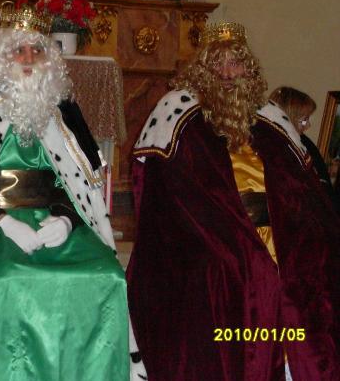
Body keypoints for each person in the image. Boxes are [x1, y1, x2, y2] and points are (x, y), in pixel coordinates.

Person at [0, 3, 138, 381]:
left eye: (38, 50)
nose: (29, 58)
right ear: (0, 57)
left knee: (106, 274)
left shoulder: (63, 114)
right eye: (19, 50)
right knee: (8, 279)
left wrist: (66, 220)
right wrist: (2, 220)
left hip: (53, 223)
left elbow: (77, 186)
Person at [127, 22, 340, 380]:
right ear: (203, 69)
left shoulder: (271, 118)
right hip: (211, 237)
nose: (227, 73)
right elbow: (172, 197)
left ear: (249, 69)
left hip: (277, 233)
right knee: (244, 273)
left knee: (313, 265)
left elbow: (303, 192)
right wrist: (233, 237)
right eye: (218, 64)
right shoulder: (177, 113)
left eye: (235, 63)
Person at [269, 86, 339, 212]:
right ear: (289, 116)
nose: (308, 125)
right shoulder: (272, 145)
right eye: (304, 120)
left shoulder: (304, 144)